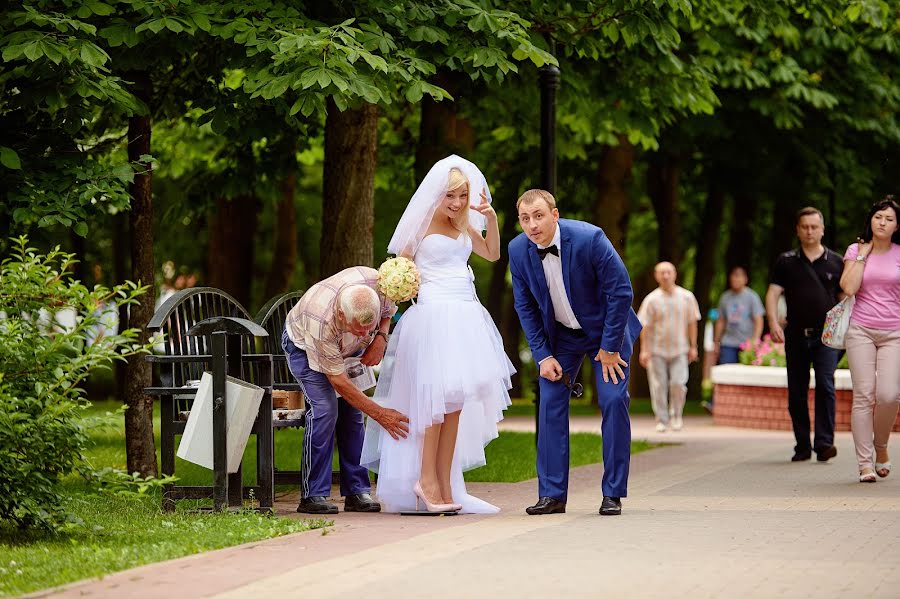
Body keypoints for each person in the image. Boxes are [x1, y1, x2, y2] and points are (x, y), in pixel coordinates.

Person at [361, 155, 514, 514]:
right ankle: (424, 480)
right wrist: (404, 288)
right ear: (437, 195)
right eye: (451, 196)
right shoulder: (422, 225)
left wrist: (490, 218)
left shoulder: (463, 226)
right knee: (435, 404)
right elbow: (398, 268)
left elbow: (492, 254)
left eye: (462, 196)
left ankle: (445, 485)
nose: (457, 203)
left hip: (465, 315)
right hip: (433, 316)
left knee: (455, 404)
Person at [509, 189, 641, 516]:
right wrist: (542, 355)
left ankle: (613, 493)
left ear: (554, 214)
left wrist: (610, 348)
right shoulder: (517, 249)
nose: (532, 225)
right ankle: (552, 495)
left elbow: (621, 290)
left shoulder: (589, 238)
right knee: (550, 402)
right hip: (562, 338)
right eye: (525, 218)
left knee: (612, 400)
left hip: (606, 332)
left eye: (538, 216)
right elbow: (524, 306)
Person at [282, 268, 410, 514]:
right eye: (359, 329)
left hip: (348, 352)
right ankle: (312, 495)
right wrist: (380, 414)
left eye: (367, 328)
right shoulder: (321, 319)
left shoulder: (380, 284)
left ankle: (356, 491)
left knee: (352, 414)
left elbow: (388, 310)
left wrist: (380, 338)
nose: (364, 334)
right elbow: (338, 381)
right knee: (325, 409)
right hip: (305, 347)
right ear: (341, 314)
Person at [765, 206, 844, 463]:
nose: (810, 231)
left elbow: (844, 298)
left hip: (826, 337)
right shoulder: (786, 261)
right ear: (798, 230)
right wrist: (773, 322)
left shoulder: (836, 261)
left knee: (826, 385)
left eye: (814, 226)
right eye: (805, 227)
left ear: (822, 229)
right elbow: (773, 293)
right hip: (796, 334)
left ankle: (823, 443)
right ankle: (801, 444)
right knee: (797, 391)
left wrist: (848, 327)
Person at [839, 196, 900, 483]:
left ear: (897, 225)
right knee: (863, 395)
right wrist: (863, 254)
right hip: (860, 329)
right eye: (878, 217)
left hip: (894, 333)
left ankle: (881, 446)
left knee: (889, 395)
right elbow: (849, 287)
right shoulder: (855, 249)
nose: (882, 222)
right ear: (871, 220)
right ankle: (865, 464)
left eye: (889, 219)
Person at [637, 262, 701, 432]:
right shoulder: (651, 299)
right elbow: (645, 326)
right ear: (656, 276)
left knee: (679, 384)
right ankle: (662, 420)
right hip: (656, 349)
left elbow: (692, 323)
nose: (666, 276)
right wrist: (644, 350)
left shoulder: (687, 297)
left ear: (675, 274)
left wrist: (693, 346)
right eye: (662, 273)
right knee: (658, 386)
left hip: (681, 349)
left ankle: (677, 416)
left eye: (669, 272)